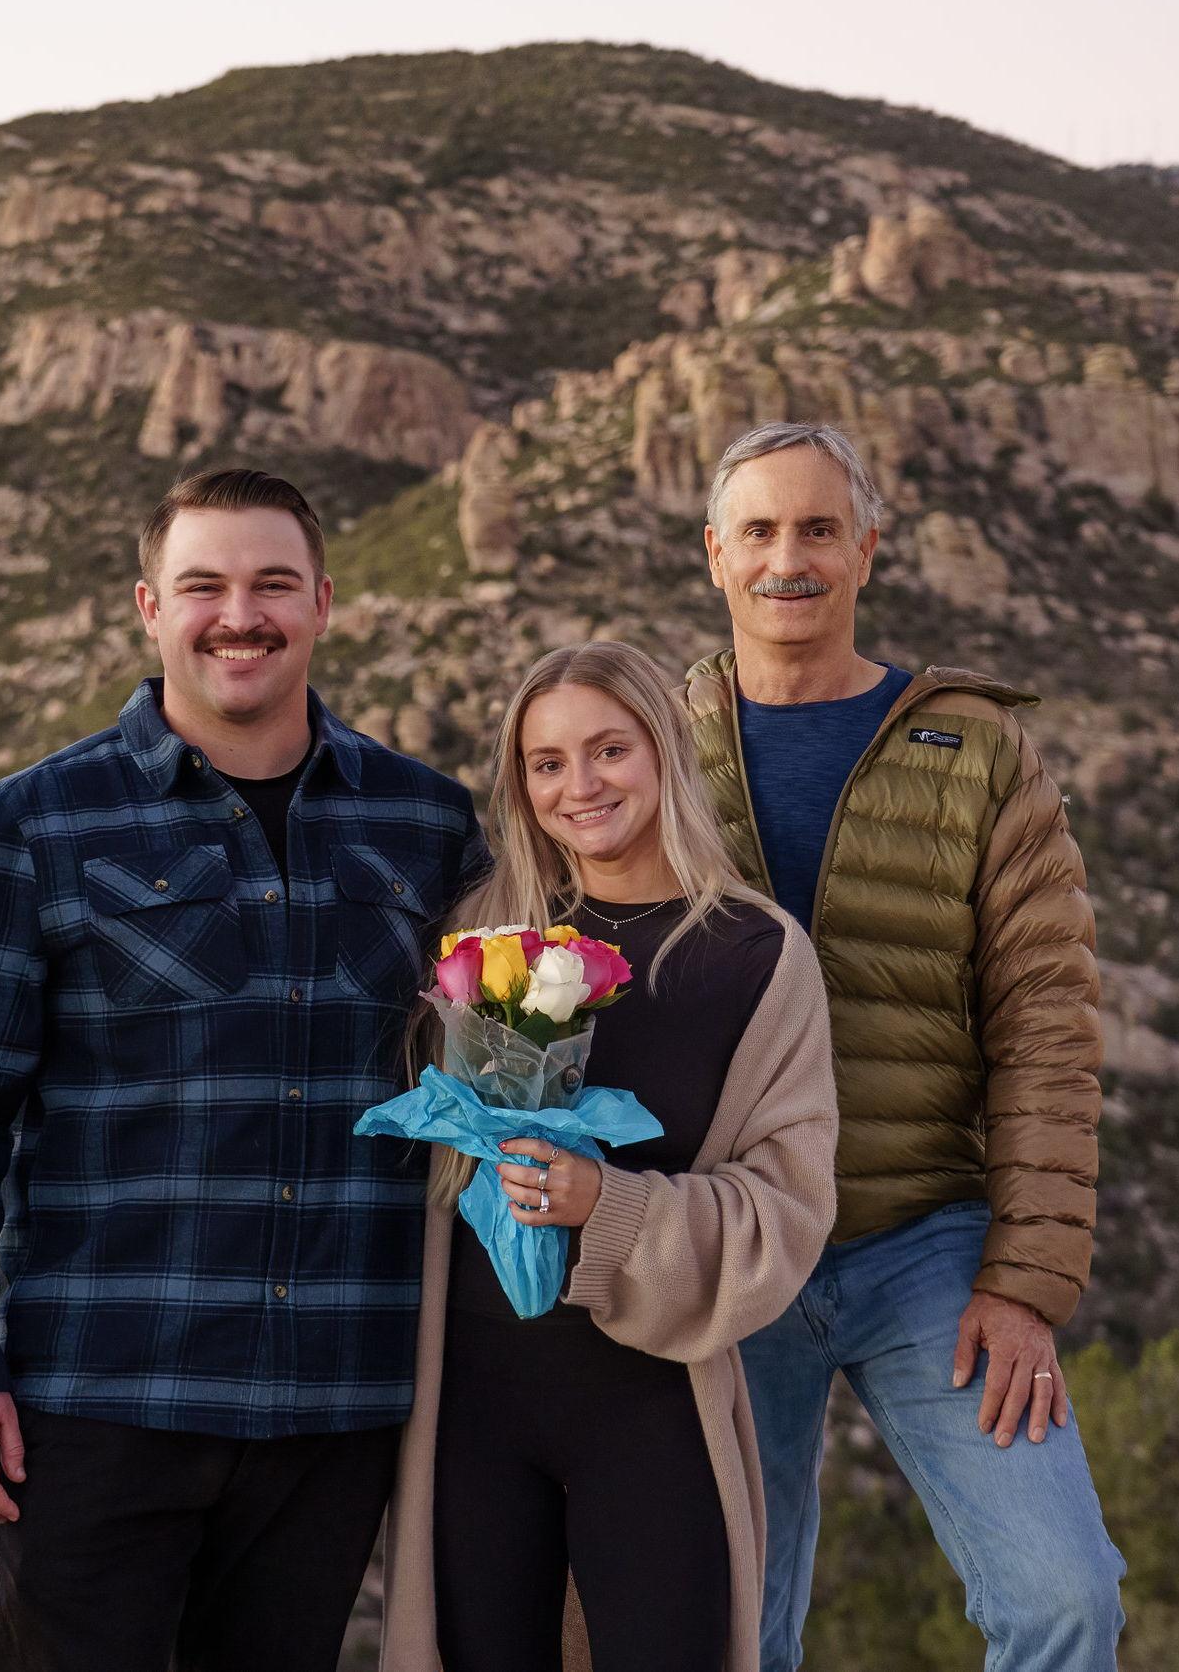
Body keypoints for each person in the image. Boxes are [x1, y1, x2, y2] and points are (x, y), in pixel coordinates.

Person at [0, 467, 489, 1672]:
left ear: (322, 601)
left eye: (271, 583)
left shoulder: (426, 826)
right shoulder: (38, 821)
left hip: (336, 1402)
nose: (238, 614)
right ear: (150, 607)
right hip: (101, 1397)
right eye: (204, 585)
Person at [684, 419, 1126, 1671]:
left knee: (1063, 1598)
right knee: (729, 1630)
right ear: (714, 553)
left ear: (867, 548)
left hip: (926, 1250)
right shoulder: (653, 745)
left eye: (819, 527)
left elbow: (1046, 1025)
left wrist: (1026, 1283)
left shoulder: (981, 750)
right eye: (759, 530)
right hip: (730, 1247)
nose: (790, 557)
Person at [379, 640, 839, 1672]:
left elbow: (788, 1210)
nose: (578, 785)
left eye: (608, 749)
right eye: (546, 763)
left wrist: (608, 1203)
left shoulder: (757, 957)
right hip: (473, 1406)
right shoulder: (482, 942)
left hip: (653, 1406)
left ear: (664, 750)